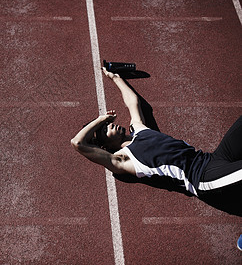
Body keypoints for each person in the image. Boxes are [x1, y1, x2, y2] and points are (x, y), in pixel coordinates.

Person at [71, 67, 242, 210]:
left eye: (106, 124)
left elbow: (133, 102)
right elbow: (78, 143)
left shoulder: (139, 129)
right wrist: (101, 119)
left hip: (212, 158)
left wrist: (115, 77)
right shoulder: (124, 159)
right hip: (202, 178)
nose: (110, 124)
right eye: (104, 130)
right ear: (104, 146)